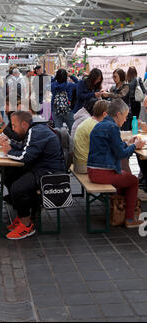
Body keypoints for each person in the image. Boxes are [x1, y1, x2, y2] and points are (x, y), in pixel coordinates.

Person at [0, 110, 66, 240]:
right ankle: (22, 216)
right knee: (10, 176)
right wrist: (10, 143)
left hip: (50, 173)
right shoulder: (35, 129)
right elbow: (25, 146)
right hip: (41, 168)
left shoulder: (37, 131)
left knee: (18, 188)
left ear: (24, 124)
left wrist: (8, 152)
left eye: (14, 125)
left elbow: (26, 156)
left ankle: (26, 226)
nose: (13, 128)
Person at [87, 98, 145, 228]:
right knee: (133, 181)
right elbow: (121, 154)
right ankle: (129, 219)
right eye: (125, 116)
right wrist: (135, 146)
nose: (125, 120)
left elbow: (114, 147)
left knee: (125, 177)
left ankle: (119, 211)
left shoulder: (100, 124)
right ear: (118, 115)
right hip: (102, 173)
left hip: (93, 170)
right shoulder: (112, 127)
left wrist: (127, 144)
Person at [73, 100, 109, 173]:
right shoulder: (96, 127)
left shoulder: (90, 121)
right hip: (85, 166)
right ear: (105, 114)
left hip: (80, 162)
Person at [51, 68, 78, 133]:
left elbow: (47, 83)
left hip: (55, 109)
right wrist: (71, 75)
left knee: (58, 130)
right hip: (68, 109)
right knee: (73, 129)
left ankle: (60, 142)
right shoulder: (70, 85)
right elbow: (79, 83)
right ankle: (70, 142)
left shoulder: (53, 85)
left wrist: (55, 78)